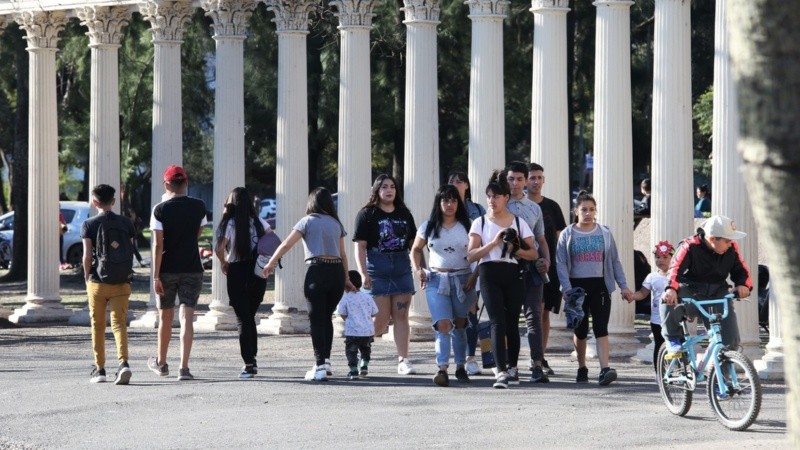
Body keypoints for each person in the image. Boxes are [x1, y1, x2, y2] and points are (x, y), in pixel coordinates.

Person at [263, 187, 356, 381]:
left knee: (316, 319)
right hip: (337, 272)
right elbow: (343, 254)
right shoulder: (336, 223)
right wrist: (346, 278)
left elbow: (287, 244)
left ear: (311, 202)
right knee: (327, 317)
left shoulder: (306, 221)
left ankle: (319, 365)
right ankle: (327, 361)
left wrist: (272, 262)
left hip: (318, 270)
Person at [467, 171, 538, 389]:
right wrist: (494, 242)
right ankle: (501, 371)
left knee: (511, 323)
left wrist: (516, 248)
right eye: (489, 196)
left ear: (506, 197)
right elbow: (471, 255)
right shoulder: (479, 222)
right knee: (496, 321)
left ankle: (513, 366)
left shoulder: (518, 222)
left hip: (513, 273)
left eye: (496, 196)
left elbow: (534, 254)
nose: (491, 200)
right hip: (489, 272)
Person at [556, 191, 632, 386]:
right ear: (576, 211)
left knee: (601, 328)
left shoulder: (604, 233)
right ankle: (582, 366)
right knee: (581, 331)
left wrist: (623, 286)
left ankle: (605, 369)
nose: (588, 213)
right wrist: (566, 288)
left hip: (600, 285)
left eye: (591, 209)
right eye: (584, 210)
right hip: (576, 288)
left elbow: (614, 261)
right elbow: (561, 263)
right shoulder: (568, 233)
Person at [411, 184, 478, 387]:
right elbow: (415, 250)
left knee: (460, 324)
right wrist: (418, 270)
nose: (450, 205)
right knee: (443, 324)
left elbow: (480, 254)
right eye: (445, 200)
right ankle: (442, 368)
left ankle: (460, 366)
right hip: (436, 280)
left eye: (454, 200)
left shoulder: (470, 225)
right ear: (438, 203)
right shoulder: (429, 226)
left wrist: (474, 276)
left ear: (459, 203)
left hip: (463, 280)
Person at [147, 165, 208, 381]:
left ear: (166, 184)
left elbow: (157, 244)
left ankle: (162, 363)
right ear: (187, 183)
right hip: (193, 267)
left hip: (167, 269)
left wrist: (155, 275)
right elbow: (197, 234)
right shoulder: (199, 206)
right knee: (187, 318)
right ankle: (184, 368)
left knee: (165, 316)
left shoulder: (160, 209)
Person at [353, 174, 418, 375]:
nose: (389, 190)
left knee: (401, 315)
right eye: (384, 187)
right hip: (377, 269)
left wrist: (419, 267)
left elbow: (413, 245)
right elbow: (360, 246)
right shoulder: (367, 214)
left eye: (392, 186)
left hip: (401, 267)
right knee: (380, 320)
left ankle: (403, 360)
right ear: (377, 191)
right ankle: (360, 349)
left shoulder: (404, 214)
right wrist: (363, 273)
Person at [661, 215, 752, 358]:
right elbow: (674, 269)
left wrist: (743, 285)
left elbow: (741, 269)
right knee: (668, 297)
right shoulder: (689, 246)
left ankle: (723, 379)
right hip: (691, 294)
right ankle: (672, 338)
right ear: (712, 239)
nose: (731, 243)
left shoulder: (731, 247)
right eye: (727, 240)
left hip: (717, 294)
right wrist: (671, 288)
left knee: (730, 341)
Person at [81, 184, 136, 385]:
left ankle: (100, 369)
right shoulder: (126, 223)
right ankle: (124, 364)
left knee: (97, 325)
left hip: (98, 281)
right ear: (113, 201)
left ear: (95, 202)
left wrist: (87, 276)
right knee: (119, 324)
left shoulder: (88, 224)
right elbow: (129, 252)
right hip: (122, 280)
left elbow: (87, 256)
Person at [214, 187, 270, 379]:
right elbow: (273, 241)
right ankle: (252, 358)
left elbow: (219, 248)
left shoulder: (228, 223)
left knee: (243, 319)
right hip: (257, 272)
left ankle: (249, 363)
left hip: (237, 270)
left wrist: (223, 262)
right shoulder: (259, 222)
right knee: (249, 317)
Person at [505, 161, 550, 384]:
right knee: (510, 319)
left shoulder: (534, 208)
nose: (515, 183)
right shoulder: (499, 206)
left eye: (519, 179)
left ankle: (537, 364)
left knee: (534, 317)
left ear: (526, 180)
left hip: (532, 268)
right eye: (511, 179)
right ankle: (511, 365)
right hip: (506, 268)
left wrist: (547, 259)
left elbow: (541, 237)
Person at [526, 162, 567, 376]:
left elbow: (560, 238)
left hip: (549, 266)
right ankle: (528, 357)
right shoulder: (518, 206)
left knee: (544, 313)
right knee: (532, 311)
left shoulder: (552, 206)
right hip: (524, 265)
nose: (536, 181)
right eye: (532, 177)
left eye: (539, 177)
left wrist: (562, 266)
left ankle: (540, 357)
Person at [447, 169, 485, 376]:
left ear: (467, 186)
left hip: (471, 266)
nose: (456, 184)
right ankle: (456, 357)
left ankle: (470, 357)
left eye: (460, 181)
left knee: (470, 312)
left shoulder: (476, 209)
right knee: (452, 314)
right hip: (448, 267)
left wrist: (478, 270)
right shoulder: (441, 208)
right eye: (452, 180)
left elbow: (486, 238)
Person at [627, 241, 673, 371]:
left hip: (675, 318)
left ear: (672, 258)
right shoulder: (652, 277)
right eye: (657, 257)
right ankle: (659, 371)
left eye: (665, 257)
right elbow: (642, 293)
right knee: (659, 344)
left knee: (676, 344)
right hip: (657, 319)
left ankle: (677, 369)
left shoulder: (677, 277)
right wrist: (632, 296)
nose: (660, 260)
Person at [336, 270, 378, 381]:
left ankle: (354, 370)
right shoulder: (367, 297)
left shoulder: (346, 298)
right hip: (367, 331)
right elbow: (375, 312)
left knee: (351, 351)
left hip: (353, 331)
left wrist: (348, 319)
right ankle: (364, 365)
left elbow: (342, 312)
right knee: (366, 348)